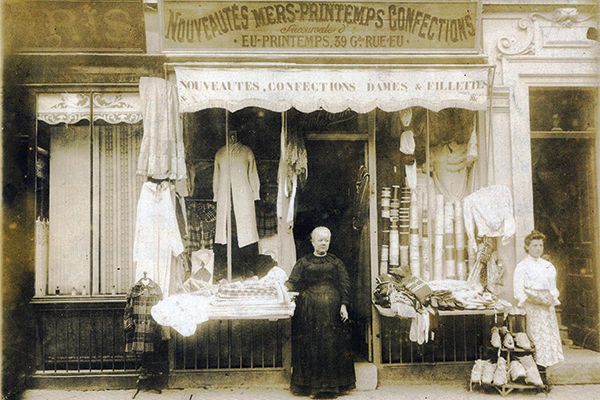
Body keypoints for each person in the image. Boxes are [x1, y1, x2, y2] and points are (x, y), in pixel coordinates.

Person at [286, 227, 356, 398]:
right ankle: (308, 385)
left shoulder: (335, 262)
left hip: (332, 310)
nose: (323, 243)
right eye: (320, 240)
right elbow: (292, 282)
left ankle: (331, 387)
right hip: (309, 311)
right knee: (311, 345)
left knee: (330, 345)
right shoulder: (303, 262)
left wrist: (344, 305)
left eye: (326, 240)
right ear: (312, 241)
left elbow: (345, 284)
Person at [513, 230, 564, 371]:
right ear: (527, 247)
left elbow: (553, 288)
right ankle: (534, 371)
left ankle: (544, 371)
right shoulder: (522, 266)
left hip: (546, 307)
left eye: (540, 245)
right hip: (532, 307)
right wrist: (530, 299)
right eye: (534, 245)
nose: (538, 248)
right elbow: (518, 289)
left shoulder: (548, 266)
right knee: (535, 338)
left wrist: (550, 298)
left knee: (547, 338)